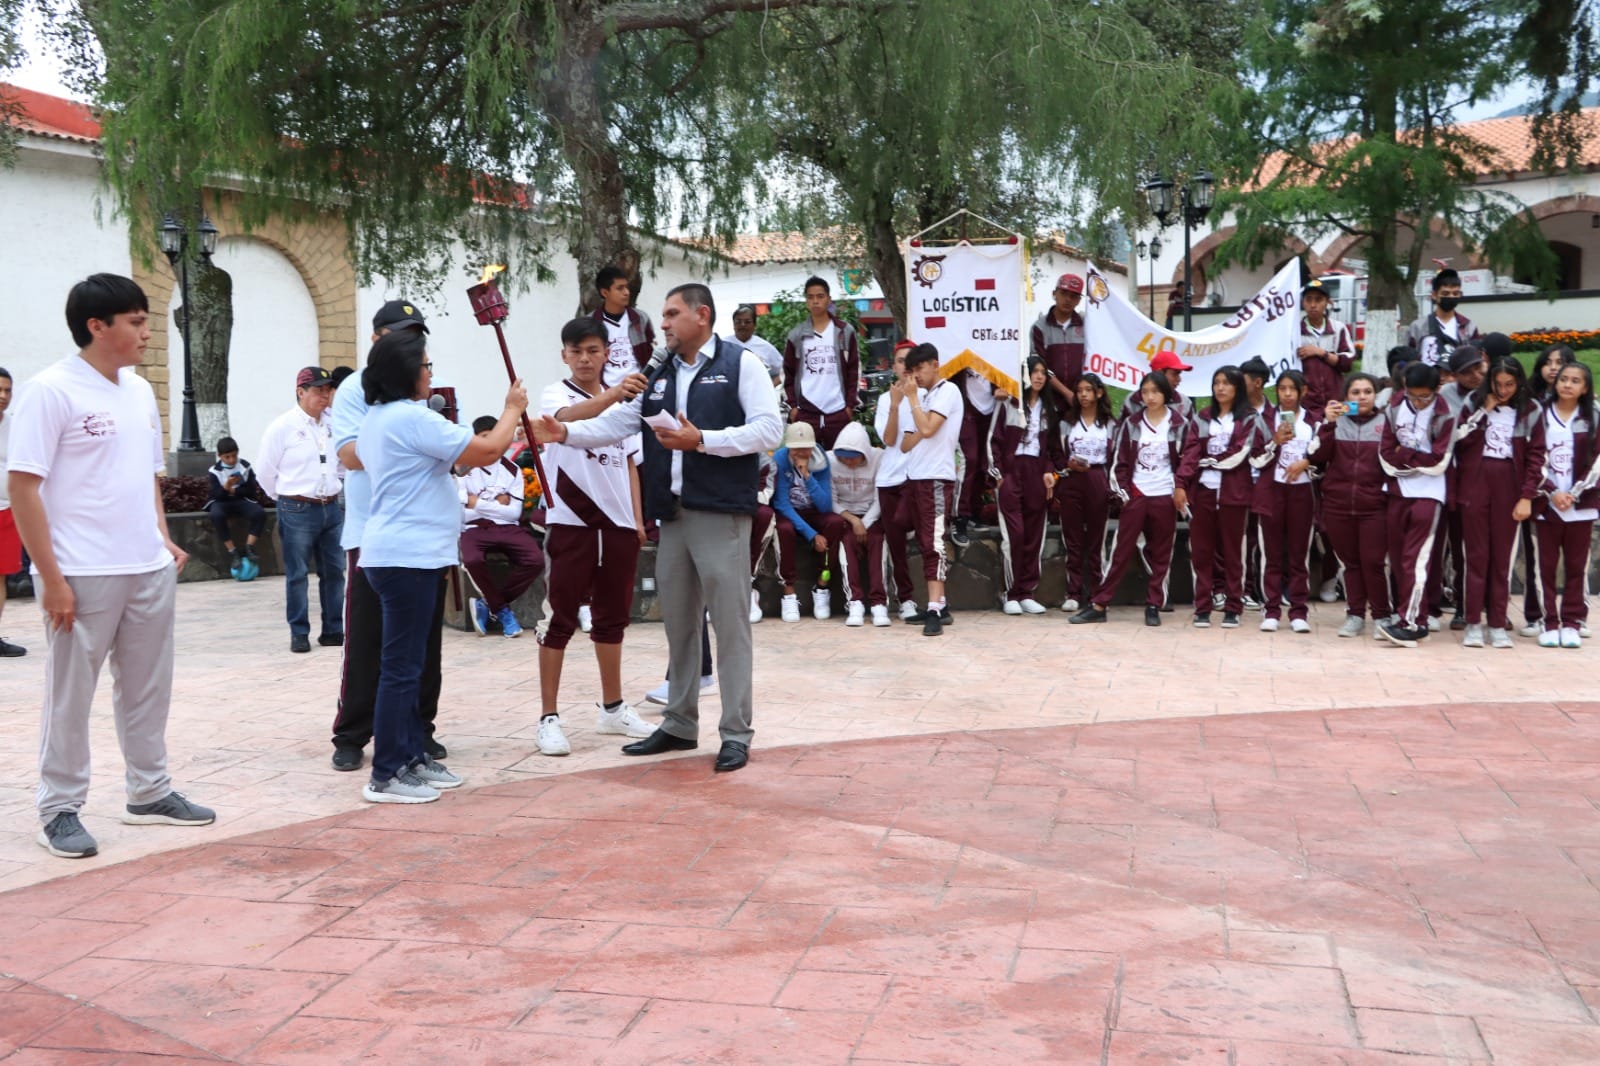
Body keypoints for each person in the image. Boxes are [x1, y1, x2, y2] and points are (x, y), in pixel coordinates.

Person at [536, 282, 783, 773]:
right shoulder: (662, 370)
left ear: (702, 316)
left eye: (672, 314)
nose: (663, 323)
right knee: (680, 625)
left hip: (720, 512)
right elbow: (623, 422)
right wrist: (566, 432)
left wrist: (702, 440)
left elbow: (769, 430)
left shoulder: (741, 364)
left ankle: (735, 733)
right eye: (665, 315)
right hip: (671, 515)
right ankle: (679, 723)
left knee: (729, 626)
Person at [7, 273, 214, 858]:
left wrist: (160, 537)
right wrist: (50, 578)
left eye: (146, 320)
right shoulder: (51, 391)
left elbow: (146, 474)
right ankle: (60, 808)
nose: (148, 332)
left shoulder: (138, 391)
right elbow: (23, 488)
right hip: (81, 573)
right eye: (136, 321)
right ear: (97, 326)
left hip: (147, 567)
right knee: (70, 695)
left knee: (148, 690)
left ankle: (149, 792)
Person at [355, 328, 525, 801]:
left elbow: (455, 463)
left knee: (410, 664)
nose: (431, 373)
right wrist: (512, 408)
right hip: (406, 556)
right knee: (402, 668)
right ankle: (386, 773)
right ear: (406, 372)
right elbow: (488, 450)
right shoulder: (410, 419)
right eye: (426, 365)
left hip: (409, 553)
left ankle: (411, 756)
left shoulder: (380, 419)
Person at [329, 299, 448, 772]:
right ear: (377, 337)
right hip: (373, 530)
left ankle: (419, 731)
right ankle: (353, 733)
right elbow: (350, 453)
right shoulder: (357, 389)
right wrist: (411, 442)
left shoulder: (418, 390)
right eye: (401, 332)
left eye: (417, 334)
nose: (412, 342)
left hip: (423, 536)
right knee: (367, 638)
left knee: (422, 642)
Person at [533, 317, 653, 756]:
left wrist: (637, 521)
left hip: (618, 526)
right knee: (559, 619)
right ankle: (548, 718)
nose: (585, 359)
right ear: (565, 354)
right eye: (576, 351)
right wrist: (613, 395)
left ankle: (613, 708)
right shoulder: (557, 394)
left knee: (612, 619)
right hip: (572, 520)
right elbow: (566, 420)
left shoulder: (626, 403)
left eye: (593, 351)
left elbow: (631, 465)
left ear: (606, 353)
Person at [1071, 372, 1197, 627]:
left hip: (1165, 495)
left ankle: (1154, 604)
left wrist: (1180, 487)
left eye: (1155, 392)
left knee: (1161, 552)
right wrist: (1125, 495)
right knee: (1120, 551)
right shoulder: (1132, 424)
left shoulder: (1180, 424)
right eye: (1145, 391)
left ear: (1166, 394)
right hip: (1137, 495)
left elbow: (1189, 458)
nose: (1150, 397)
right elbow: (1120, 462)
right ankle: (1100, 603)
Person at [1453, 357, 1544, 649]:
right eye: (1497, 383)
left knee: (1502, 559)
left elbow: (1536, 457)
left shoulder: (1530, 409)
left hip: (1510, 486)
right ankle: (1472, 623)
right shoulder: (1473, 402)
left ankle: (1497, 622)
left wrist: (1527, 496)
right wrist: (1483, 412)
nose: (1503, 390)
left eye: (1509, 384)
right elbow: (1457, 440)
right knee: (1476, 557)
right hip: (1476, 483)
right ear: (1488, 380)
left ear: (1519, 383)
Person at [256, 366, 345, 653]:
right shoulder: (282, 427)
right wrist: (285, 499)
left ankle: (333, 629)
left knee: (334, 571)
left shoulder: (334, 423)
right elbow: (265, 472)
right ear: (301, 392)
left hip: (331, 507)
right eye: (318, 390)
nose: (325, 395)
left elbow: (342, 461)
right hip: (297, 507)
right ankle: (299, 632)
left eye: (327, 389)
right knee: (297, 574)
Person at [1377, 362, 1458, 648]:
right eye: (1412, 395)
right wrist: (1409, 460)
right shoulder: (1394, 408)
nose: (1417, 401)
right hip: (1398, 489)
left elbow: (1439, 460)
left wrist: (1405, 454)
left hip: (1430, 493)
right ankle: (1405, 614)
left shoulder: (1445, 416)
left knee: (1416, 559)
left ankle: (1413, 623)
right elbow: (1385, 454)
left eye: (1423, 396)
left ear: (1436, 390)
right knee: (1397, 560)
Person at [1309, 374, 1391, 639]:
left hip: (1374, 505)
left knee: (1373, 563)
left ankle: (1382, 616)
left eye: (1367, 391)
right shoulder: (1335, 423)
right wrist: (1328, 425)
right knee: (1351, 563)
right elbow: (1317, 456)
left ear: (1375, 395)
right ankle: (1355, 615)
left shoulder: (1385, 423)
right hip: (1338, 504)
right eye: (1355, 392)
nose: (1362, 396)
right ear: (1346, 397)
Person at [459, 416, 546, 639]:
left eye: (494, 437)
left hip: (508, 527)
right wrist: (495, 502)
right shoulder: (464, 468)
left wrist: (477, 502)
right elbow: (461, 512)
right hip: (474, 528)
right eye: (484, 438)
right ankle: (503, 611)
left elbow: (514, 513)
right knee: (472, 560)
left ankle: (490, 604)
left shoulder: (513, 470)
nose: (490, 444)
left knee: (535, 560)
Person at [1532, 362, 1599, 648]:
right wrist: (1552, 492)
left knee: (1575, 566)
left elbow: (1597, 459)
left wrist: (1573, 492)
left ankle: (1572, 621)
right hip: (1547, 504)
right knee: (1544, 566)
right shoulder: (1540, 415)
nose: (1568, 385)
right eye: (1564, 379)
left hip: (1581, 503)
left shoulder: (1593, 416)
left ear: (1585, 387)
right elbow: (1532, 457)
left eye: (1575, 381)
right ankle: (1549, 622)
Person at [899, 343, 964, 636]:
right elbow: (907, 441)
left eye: (920, 369)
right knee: (925, 542)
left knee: (934, 543)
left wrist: (912, 399)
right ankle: (941, 604)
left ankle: (935, 608)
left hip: (936, 478)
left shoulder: (948, 391)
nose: (917, 377)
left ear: (935, 364)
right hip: (917, 477)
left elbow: (927, 430)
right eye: (911, 372)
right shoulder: (924, 397)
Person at [991, 357, 1061, 614]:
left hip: (1037, 474)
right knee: (1014, 535)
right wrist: (999, 476)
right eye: (1035, 371)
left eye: (1043, 372)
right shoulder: (1009, 404)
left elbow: (1054, 451)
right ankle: (1009, 592)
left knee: (1034, 535)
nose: (1039, 376)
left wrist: (1050, 473)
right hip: (1011, 472)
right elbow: (993, 441)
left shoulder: (1049, 411)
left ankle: (1026, 592)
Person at [1188, 365, 1257, 629]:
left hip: (1234, 493)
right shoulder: (1203, 417)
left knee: (1232, 553)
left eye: (1227, 383)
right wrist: (1183, 483)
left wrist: (1210, 461)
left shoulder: (1249, 418)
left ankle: (1233, 606)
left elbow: (1241, 452)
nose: (1220, 387)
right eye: (1217, 382)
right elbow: (1191, 451)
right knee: (1202, 552)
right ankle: (1202, 607)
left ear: (1237, 387)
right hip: (1203, 492)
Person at [1252, 370, 1320, 632]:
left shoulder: (1313, 422)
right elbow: (1255, 459)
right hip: (1272, 491)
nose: (1288, 394)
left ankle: (1298, 611)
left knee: (1298, 554)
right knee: (1271, 553)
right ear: (1276, 392)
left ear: (1303, 391)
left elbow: (1322, 460)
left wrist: (1306, 463)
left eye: (1293, 389)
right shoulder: (1266, 420)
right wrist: (1275, 441)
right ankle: (1270, 610)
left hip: (1302, 493)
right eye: (1282, 389)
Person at [1520, 344, 1577, 634]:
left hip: (1575, 496)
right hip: (1539, 491)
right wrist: (1546, 488)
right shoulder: (1531, 404)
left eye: (1562, 362)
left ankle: (1574, 618)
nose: (1554, 368)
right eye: (1549, 362)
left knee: (1576, 561)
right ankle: (1536, 615)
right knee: (1536, 557)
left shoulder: (1585, 409)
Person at [772, 421, 848, 622]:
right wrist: (811, 534)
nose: (801, 453)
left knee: (835, 522)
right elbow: (781, 504)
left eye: (806, 447)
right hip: (790, 512)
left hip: (813, 511)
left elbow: (824, 505)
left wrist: (807, 475)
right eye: (796, 448)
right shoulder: (779, 459)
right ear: (788, 447)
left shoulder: (820, 459)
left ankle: (822, 587)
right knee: (784, 529)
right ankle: (789, 592)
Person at [1052, 372, 1114, 613]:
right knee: (1073, 538)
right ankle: (1074, 592)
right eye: (1079, 391)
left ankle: (1098, 592)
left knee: (1097, 540)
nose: (1084, 395)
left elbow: (1117, 456)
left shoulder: (1109, 423)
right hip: (1072, 481)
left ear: (1099, 393)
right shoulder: (1067, 422)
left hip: (1098, 480)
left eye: (1089, 390)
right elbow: (1056, 452)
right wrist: (1067, 465)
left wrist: (1112, 486)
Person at [783, 276, 859, 449]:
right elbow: (787, 373)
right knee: (806, 462)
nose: (815, 301)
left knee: (840, 462)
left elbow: (854, 369)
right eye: (810, 297)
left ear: (829, 299)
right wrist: (794, 407)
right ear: (806, 301)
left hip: (838, 410)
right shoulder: (797, 335)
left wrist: (849, 406)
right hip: (806, 411)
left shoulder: (844, 331)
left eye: (820, 296)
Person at [873, 340, 919, 622]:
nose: (906, 366)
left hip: (918, 477)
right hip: (890, 478)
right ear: (894, 366)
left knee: (927, 539)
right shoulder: (884, 399)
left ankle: (938, 600)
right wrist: (894, 405)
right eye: (901, 361)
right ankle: (907, 599)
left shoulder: (928, 396)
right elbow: (889, 440)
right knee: (897, 545)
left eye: (910, 361)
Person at [827, 421, 884, 626]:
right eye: (844, 458)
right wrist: (853, 520)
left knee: (877, 540)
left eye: (854, 458)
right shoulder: (829, 460)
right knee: (847, 542)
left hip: (871, 514)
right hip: (844, 515)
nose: (848, 463)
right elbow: (829, 498)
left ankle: (879, 603)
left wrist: (865, 523)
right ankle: (855, 601)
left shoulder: (878, 458)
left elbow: (881, 498)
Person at [1238, 356, 1277, 610]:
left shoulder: (1276, 413)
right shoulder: (1236, 412)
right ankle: (1244, 589)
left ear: (1258, 383)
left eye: (1242, 381)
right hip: (1240, 483)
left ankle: (1269, 591)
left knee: (1268, 540)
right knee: (1245, 539)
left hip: (1268, 483)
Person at [204, 435, 265, 578]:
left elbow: (251, 490)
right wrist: (225, 487)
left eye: (234, 456)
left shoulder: (244, 466)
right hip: (221, 502)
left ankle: (249, 547)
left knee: (259, 513)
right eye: (227, 457)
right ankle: (233, 552)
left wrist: (234, 490)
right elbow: (215, 495)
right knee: (217, 515)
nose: (231, 460)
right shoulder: (214, 471)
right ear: (220, 456)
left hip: (240, 499)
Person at [592, 265, 656, 389]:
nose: (626, 292)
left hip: (639, 391)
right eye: (620, 288)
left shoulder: (641, 319)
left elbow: (650, 353)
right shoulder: (591, 322)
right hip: (605, 393)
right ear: (605, 292)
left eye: (627, 287)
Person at [1295, 279, 1354, 412]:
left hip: (1336, 401)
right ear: (1303, 302)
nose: (1313, 305)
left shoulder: (1338, 328)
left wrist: (1321, 353)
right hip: (1306, 404)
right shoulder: (1295, 331)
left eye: (1318, 300)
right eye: (1308, 300)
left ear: (1328, 302)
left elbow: (1348, 363)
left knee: (1339, 432)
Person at [1403, 268, 1482, 368]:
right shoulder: (1417, 327)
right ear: (1434, 295)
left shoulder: (1468, 327)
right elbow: (1408, 360)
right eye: (1445, 293)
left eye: (1455, 293)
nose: (1451, 297)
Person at [0, 366, 25, 657]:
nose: (4, 396)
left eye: (8, 390)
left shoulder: (17, 425)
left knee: (1, 577)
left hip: (7, 512)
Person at [1031, 273, 1086, 402]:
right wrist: (1066, 393)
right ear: (1054, 294)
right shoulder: (1039, 328)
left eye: (1073, 296)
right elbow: (1040, 367)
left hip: (1081, 398)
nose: (1068, 299)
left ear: (1079, 301)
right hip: (1049, 399)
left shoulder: (1086, 325)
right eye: (1063, 293)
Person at [1120, 350, 1194, 421]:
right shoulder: (1133, 400)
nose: (1179, 379)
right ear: (1160, 373)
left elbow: (1192, 432)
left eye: (1179, 374)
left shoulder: (1184, 403)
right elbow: (1121, 431)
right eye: (1175, 374)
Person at [731, 304, 784, 386]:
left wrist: (770, 387)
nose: (742, 325)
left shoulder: (765, 347)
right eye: (738, 322)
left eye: (747, 322)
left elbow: (784, 371)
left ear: (754, 325)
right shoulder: (723, 345)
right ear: (734, 325)